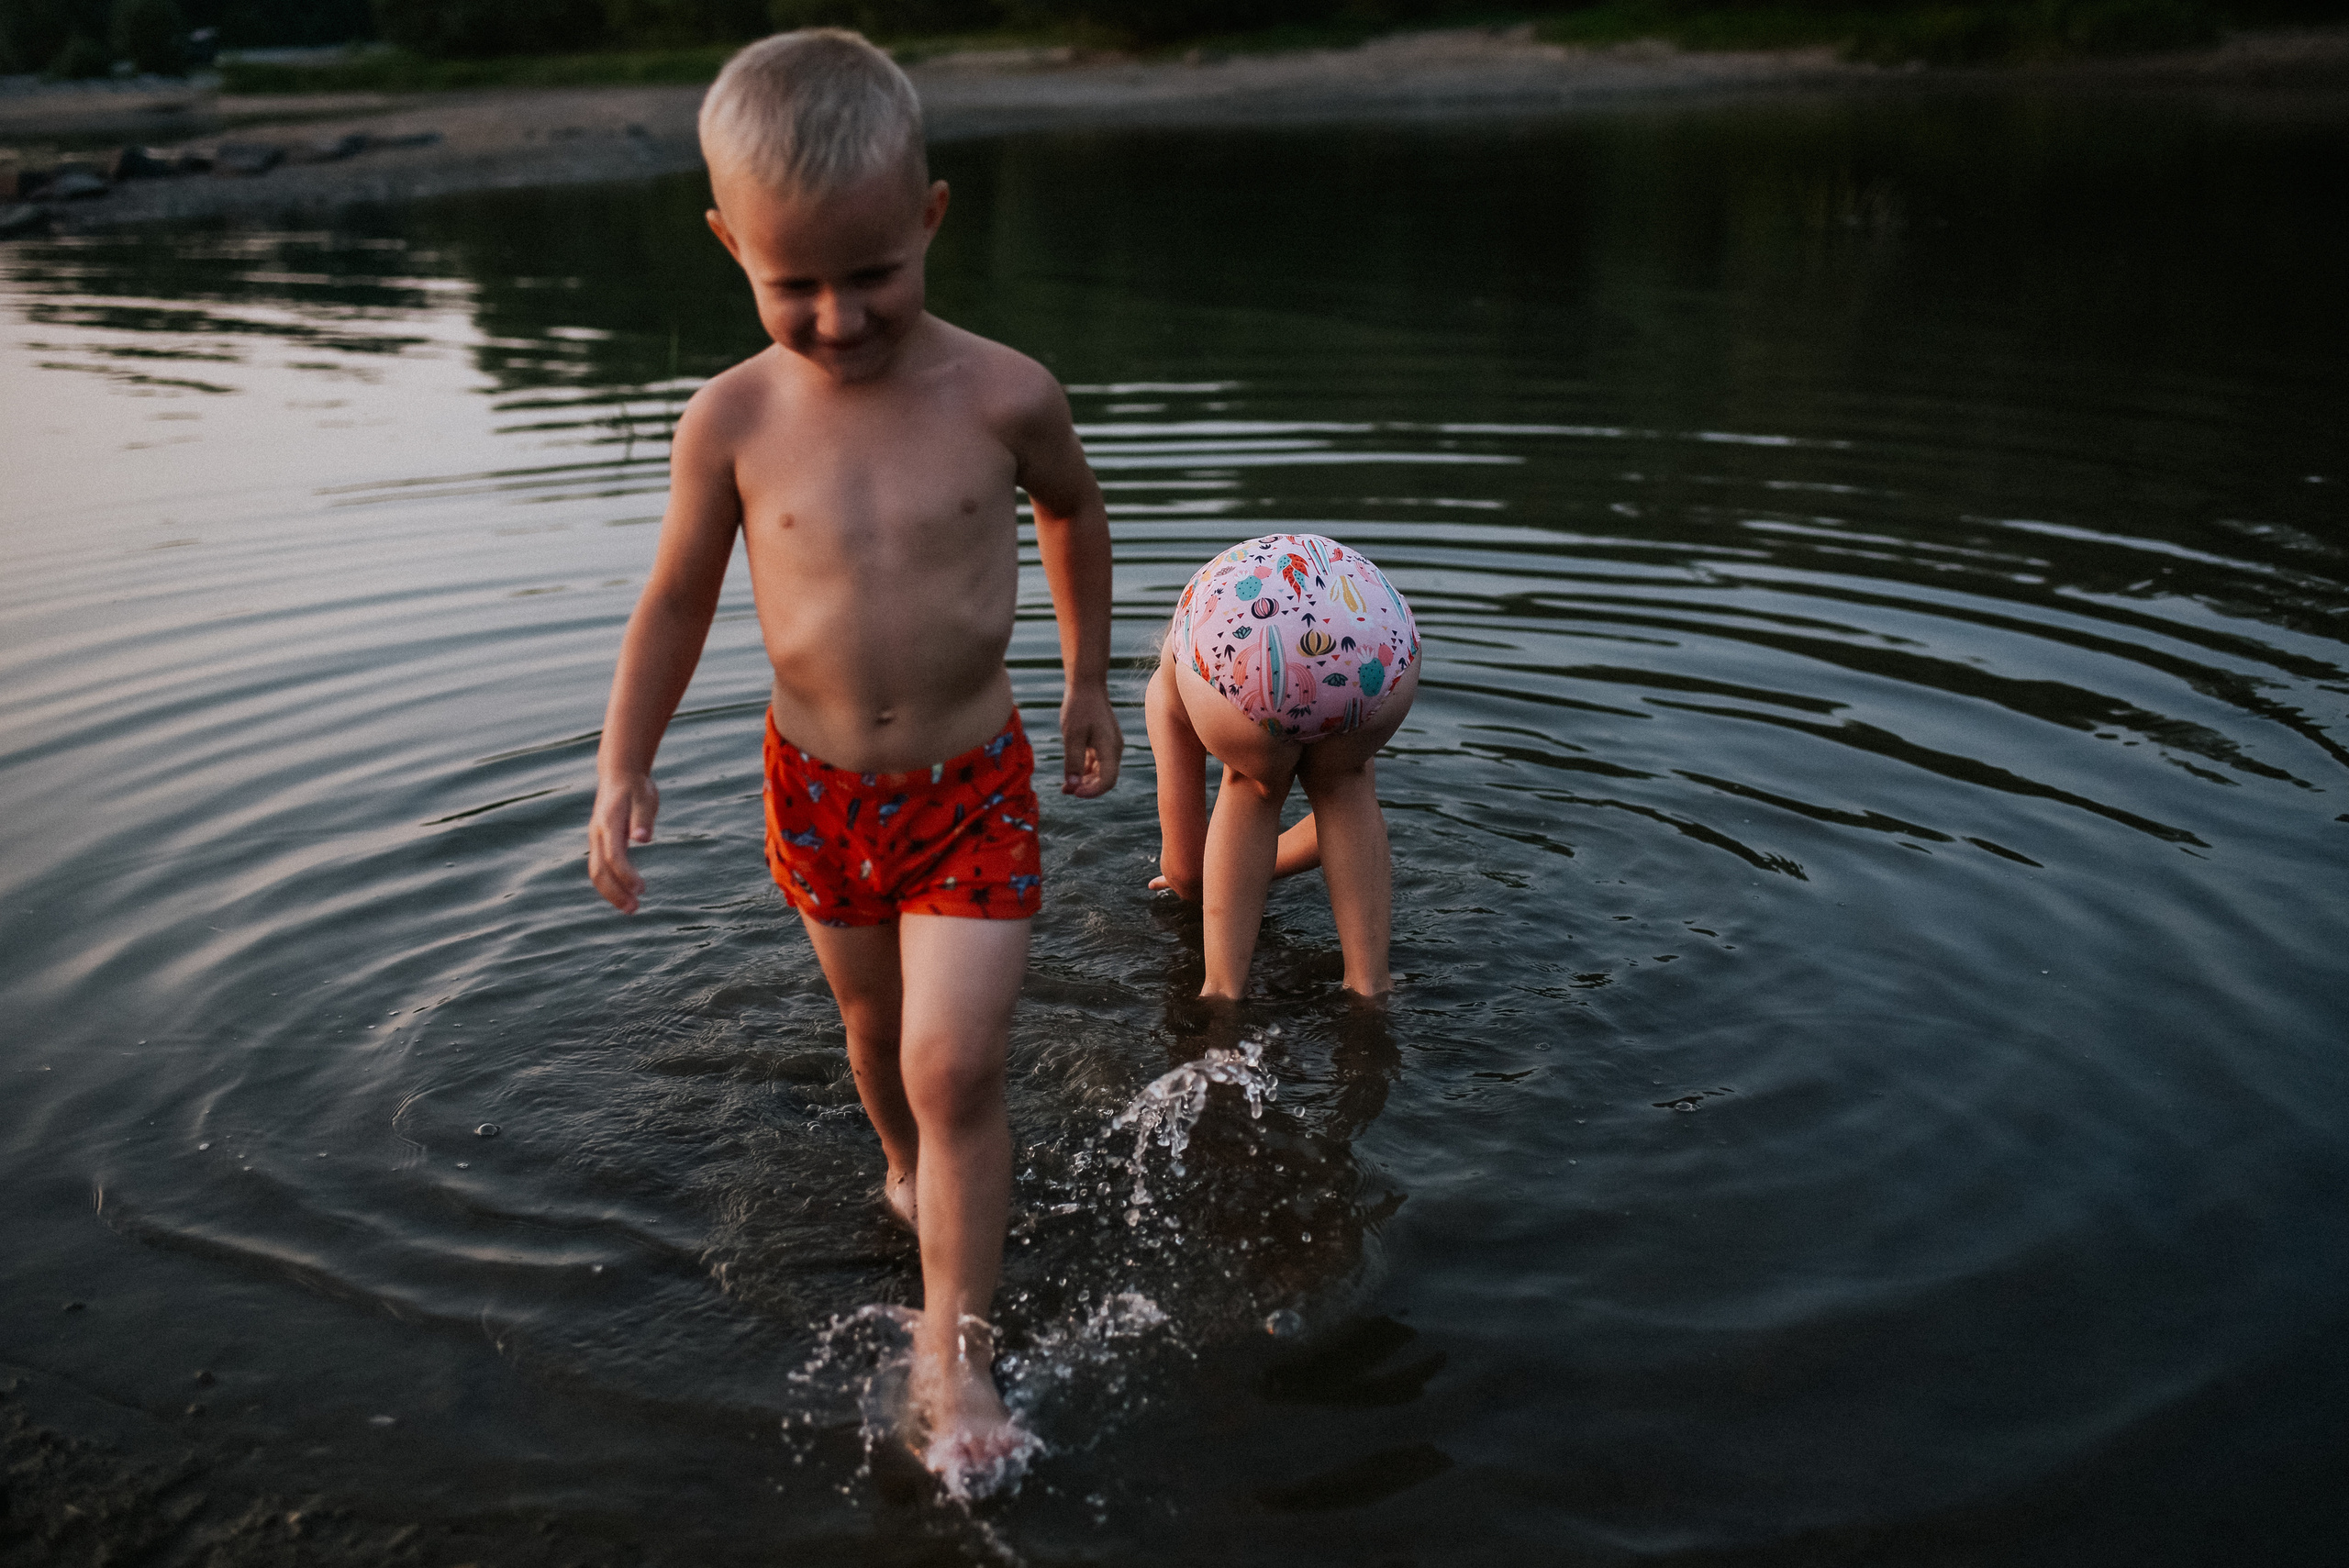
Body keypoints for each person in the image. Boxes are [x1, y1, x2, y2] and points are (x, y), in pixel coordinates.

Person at [583, 29, 1121, 1485]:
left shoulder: (1004, 394)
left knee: (955, 1064)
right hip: (818, 793)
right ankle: (899, 1165)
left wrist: (1085, 681)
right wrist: (623, 760)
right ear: (727, 244)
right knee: (880, 1049)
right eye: (791, 283)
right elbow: (680, 597)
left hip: (973, 789)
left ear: (932, 217)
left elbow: (1072, 515)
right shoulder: (734, 420)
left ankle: (957, 1351)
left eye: (872, 272)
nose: (835, 316)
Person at [1146, 534, 1419, 1001]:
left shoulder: (1172, 678)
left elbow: (1187, 875)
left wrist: (1233, 867)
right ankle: (1372, 986)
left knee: (1251, 783)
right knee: (1343, 787)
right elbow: (1331, 831)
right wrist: (1259, 866)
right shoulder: (1207, 609)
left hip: (1236, 646)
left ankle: (1222, 996)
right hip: (1373, 630)